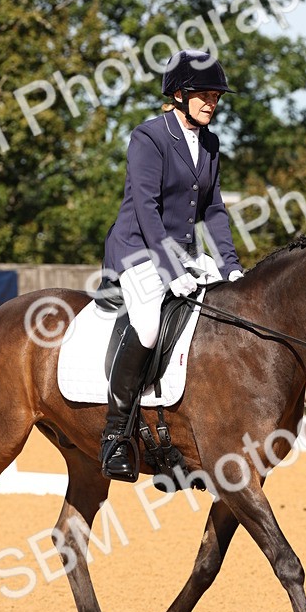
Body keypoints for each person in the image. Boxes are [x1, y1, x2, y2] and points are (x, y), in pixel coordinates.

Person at [99, 49, 244, 478]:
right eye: (204, 94)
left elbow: (214, 209)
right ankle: (115, 436)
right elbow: (145, 208)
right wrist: (171, 271)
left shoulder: (211, 143)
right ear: (179, 94)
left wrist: (229, 265)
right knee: (147, 326)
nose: (212, 103)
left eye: (216, 96)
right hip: (137, 251)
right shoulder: (149, 136)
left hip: (183, 253)